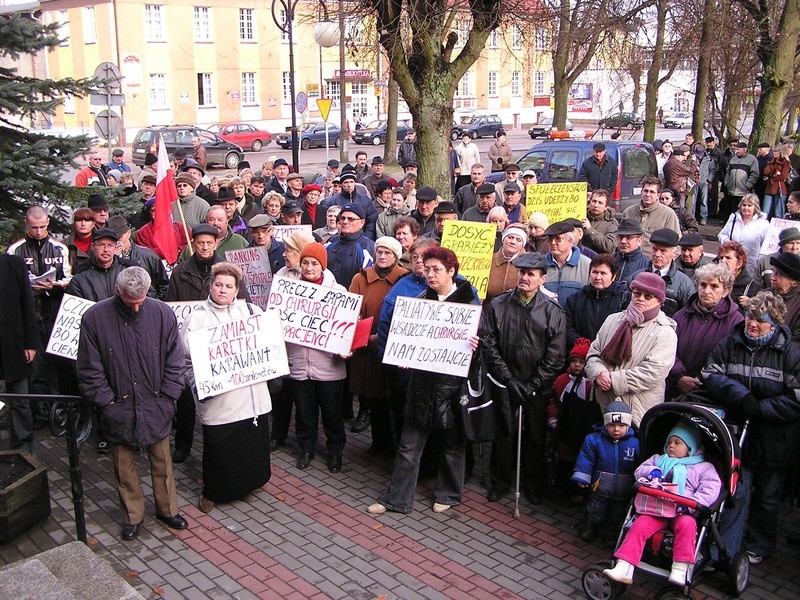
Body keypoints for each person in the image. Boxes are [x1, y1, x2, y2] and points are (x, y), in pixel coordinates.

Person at [77, 267, 187, 541]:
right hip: (119, 405)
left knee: (162, 461)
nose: (137, 309)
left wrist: (169, 397)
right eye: (130, 303)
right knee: (123, 467)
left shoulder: (162, 313)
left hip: (156, 402)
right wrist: (107, 402)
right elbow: (90, 369)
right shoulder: (94, 318)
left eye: (141, 302)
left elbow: (175, 360)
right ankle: (132, 516)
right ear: (118, 292)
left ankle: (167, 509)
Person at [368, 247, 480, 514]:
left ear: (452, 271)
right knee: (409, 445)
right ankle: (397, 498)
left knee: (452, 444)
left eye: (436, 269)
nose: (429, 274)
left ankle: (449, 493)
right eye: (426, 269)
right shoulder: (420, 300)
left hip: (453, 387)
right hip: (421, 385)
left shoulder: (469, 302)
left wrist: (477, 345)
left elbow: (484, 345)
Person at [702, 291, 800, 564]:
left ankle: (759, 544)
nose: (752, 324)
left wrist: (762, 408)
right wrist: (741, 396)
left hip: (775, 438)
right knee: (737, 489)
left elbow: (796, 397)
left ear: (775, 323)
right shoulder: (730, 343)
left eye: (760, 320)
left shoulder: (790, 354)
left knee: (768, 496)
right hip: (737, 432)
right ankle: (726, 544)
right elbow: (710, 373)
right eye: (749, 317)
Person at [181, 262, 272, 513]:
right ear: (210, 286)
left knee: (247, 444)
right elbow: (186, 358)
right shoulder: (197, 318)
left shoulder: (251, 312)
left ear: (236, 290)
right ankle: (213, 491)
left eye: (229, 286)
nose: (223, 290)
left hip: (250, 396)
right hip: (220, 398)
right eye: (218, 284)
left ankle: (244, 486)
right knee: (221, 447)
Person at [480, 252, 565, 504]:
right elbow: (489, 343)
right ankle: (500, 481)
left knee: (535, 437)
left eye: (531, 274)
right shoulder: (499, 304)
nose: (524, 278)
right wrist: (508, 380)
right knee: (504, 433)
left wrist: (534, 384)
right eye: (522, 273)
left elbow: (556, 355)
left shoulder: (552, 311)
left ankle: (533, 483)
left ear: (542, 279)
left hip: (536, 386)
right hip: (506, 382)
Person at [603, 419, 723, 587]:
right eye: (669, 442)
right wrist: (653, 472)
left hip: (683, 510)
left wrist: (691, 504)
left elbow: (710, 490)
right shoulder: (658, 459)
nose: (671, 446)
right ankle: (624, 565)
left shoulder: (704, 467)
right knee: (639, 525)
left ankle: (680, 568)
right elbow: (639, 471)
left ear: (691, 448)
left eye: (677, 442)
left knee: (688, 526)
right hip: (656, 509)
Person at [585, 272, 677, 426]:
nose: (640, 298)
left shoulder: (665, 333)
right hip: (604, 406)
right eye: (637, 293)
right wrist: (598, 373)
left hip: (637, 414)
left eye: (648, 296)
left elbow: (653, 372)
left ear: (659, 301)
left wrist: (613, 380)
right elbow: (594, 352)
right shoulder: (613, 320)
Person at [287, 243, 348, 473]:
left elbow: (346, 328)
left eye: (314, 263)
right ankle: (306, 449)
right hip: (300, 364)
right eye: (305, 263)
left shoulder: (338, 292)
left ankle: (335, 452)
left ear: (323, 266)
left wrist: (345, 347)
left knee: (332, 414)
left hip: (329, 366)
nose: (309, 268)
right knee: (304, 412)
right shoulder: (289, 291)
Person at [347, 237, 408, 450]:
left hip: (390, 346)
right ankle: (378, 442)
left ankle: (393, 444)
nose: (382, 257)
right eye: (379, 252)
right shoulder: (360, 278)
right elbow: (351, 309)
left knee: (390, 396)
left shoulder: (404, 279)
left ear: (396, 257)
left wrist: (380, 336)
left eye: (388, 253)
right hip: (366, 347)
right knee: (372, 394)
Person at [667, 263, 743, 400]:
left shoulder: (736, 321)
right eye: (703, 285)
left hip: (710, 395)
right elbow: (667, 349)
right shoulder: (681, 315)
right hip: (675, 387)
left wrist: (702, 379)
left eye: (714, 286)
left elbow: (732, 359)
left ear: (726, 291)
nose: (707, 291)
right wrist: (680, 376)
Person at [571, 401, 640, 542]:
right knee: (596, 510)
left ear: (628, 425)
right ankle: (591, 527)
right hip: (600, 486)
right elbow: (586, 459)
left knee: (617, 514)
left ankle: (610, 535)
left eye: (621, 426)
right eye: (612, 425)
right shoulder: (594, 440)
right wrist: (582, 477)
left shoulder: (636, 443)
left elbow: (640, 466)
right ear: (605, 425)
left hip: (624, 489)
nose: (616, 430)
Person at [0, 254, 37, 452]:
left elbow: (27, 304)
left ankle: (23, 448)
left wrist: (30, 343)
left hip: (15, 344)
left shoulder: (13, 264)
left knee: (20, 400)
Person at [629, 228, 695, 317]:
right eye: (654, 249)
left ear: (674, 253)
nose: (657, 254)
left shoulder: (684, 284)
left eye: (663, 251)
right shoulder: (636, 277)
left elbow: (687, 317)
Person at [565, 253, 626, 348]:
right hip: (581, 354)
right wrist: (581, 343)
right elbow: (567, 327)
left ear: (613, 276)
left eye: (603, 273)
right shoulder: (575, 300)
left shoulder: (623, 300)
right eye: (595, 272)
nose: (598, 277)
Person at [622, 175, 681, 258]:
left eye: (652, 192)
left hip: (654, 263)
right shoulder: (628, 212)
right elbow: (620, 238)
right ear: (641, 192)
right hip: (630, 261)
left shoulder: (668, 214)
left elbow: (676, 243)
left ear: (658, 195)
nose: (648, 194)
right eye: (645, 191)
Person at [325, 202, 376, 288]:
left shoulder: (368, 248)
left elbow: (369, 282)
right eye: (342, 218)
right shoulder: (331, 242)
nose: (345, 222)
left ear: (362, 223)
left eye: (351, 219)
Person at [717, 193, 769, 275]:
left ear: (755, 207)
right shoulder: (733, 218)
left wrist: (760, 261)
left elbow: (766, 246)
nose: (746, 208)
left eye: (749, 205)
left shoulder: (763, 223)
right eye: (744, 205)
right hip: (732, 263)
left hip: (752, 264)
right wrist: (727, 242)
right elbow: (722, 234)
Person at [542, 220, 592, 307]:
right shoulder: (540, 264)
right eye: (550, 239)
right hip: (545, 318)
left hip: (574, 319)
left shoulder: (587, 265)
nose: (553, 243)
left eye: (558, 239)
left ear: (570, 240)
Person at [715, 240, 763, 313]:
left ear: (739, 263)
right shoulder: (714, 283)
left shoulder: (753, 287)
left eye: (728, 258)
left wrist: (751, 305)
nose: (723, 261)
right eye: (721, 258)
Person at [486, 224, 526, 303]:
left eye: (518, 240)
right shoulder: (489, 259)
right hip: (488, 311)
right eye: (510, 237)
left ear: (522, 245)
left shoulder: (527, 265)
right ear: (503, 239)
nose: (513, 242)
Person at [767, 252, 800, 342]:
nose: (772, 278)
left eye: (779, 274)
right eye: (773, 272)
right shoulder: (764, 295)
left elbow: (796, 343)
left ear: (793, 280)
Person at [724, 142, 759, 219]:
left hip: (743, 191)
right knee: (732, 211)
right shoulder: (733, 159)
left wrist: (748, 185)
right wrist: (727, 183)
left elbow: (754, 174)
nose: (736, 151)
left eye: (738, 149)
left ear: (744, 149)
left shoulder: (752, 159)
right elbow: (728, 172)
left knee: (742, 211)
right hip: (732, 190)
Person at [582, 189, 619, 254]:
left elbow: (610, 247)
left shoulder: (611, 223)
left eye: (600, 203)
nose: (596, 205)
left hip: (599, 260)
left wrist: (590, 230)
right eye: (594, 201)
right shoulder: (581, 216)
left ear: (606, 207)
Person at [763, 145, 791, 219]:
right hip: (769, 188)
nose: (774, 153)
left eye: (776, 151)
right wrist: (775, 172)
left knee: (778, 212)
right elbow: (766, 171)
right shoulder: (771, 161)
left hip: (780, 188)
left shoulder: (785, 162)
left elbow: (783, 176)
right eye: (773, 151)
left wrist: (772, 177)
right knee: (765, 212)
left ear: (780, 152)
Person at [65, 207, 95, 274]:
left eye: (87, 220)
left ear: (93, 224)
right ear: (74, 224)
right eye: (79, 220)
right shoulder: (64, 246)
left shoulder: (101, 243)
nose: (83, 224)